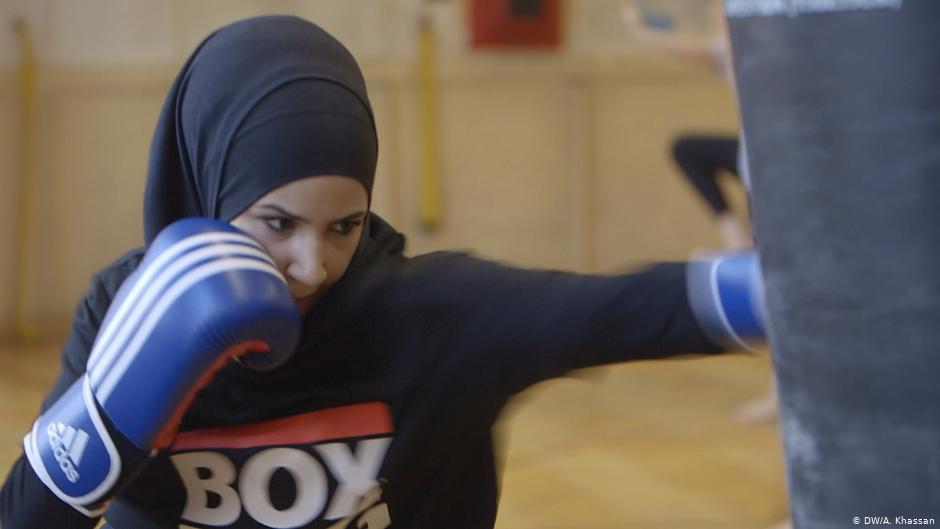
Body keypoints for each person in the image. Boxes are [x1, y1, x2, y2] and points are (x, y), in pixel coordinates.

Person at [0, 15, 764, 529]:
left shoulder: (424, 312)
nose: (313, 264)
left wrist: (789, 288)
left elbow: (616, 310)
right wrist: (108, 413)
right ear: (207, 186)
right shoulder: (122, 307)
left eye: (345, 225)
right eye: (276, 223)